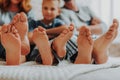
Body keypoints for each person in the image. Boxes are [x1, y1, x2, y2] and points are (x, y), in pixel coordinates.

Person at [27, 0, 71, 65]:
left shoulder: (58, 22)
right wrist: (45, 37)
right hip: (38, 48)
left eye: (52, 9)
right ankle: (47, 56)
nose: (48, 11)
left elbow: (66, 28)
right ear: (41, 9)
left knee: (60, 44)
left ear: (58, 11)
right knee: (40, 45)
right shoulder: (34, 23)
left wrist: (44, 32)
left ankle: (52, 55)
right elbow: (29, 37)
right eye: (45, 8)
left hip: (55, 46)